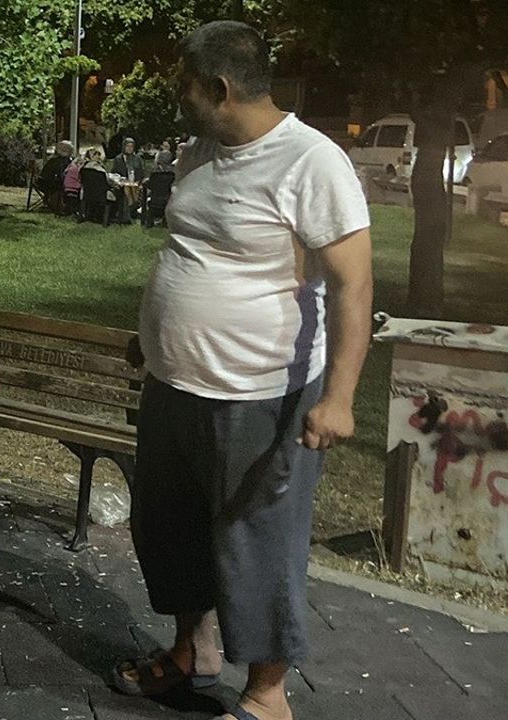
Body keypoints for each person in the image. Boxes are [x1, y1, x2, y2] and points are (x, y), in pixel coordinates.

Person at [113, 22, 372, 720]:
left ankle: (266, 696)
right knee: (170, 530)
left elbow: (353, 285)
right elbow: (193, 251)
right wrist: (155, 335)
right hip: (175, 385)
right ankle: (192, 653)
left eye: (185, 85)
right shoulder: (200, 152)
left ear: (219, 88)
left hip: (258, 394)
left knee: (256, 545)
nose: (177, 95)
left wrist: (340, 397)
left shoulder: (311, 161)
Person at [110, 137, 145, 223]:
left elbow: (141, 173)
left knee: (135, 188)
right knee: (127, 189)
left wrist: (138, 182)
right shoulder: (118, 159)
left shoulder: (137, 159)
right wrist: (121, 180)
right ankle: (129, 212)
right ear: (124, 147)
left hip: (135, 183)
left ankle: (132, 209)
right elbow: (114, 173)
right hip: (122, 183)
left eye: (131, 146)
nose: (129, 148)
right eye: (127, 146)